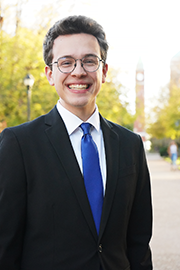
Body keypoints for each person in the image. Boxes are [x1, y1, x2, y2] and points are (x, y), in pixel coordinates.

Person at [0, 15, 153, 270]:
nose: (78, 71)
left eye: (89, 61)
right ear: (50, 74)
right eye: (66, 62)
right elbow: (5, 247)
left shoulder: (130, 146)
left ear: (103, 71)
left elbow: (138, 244)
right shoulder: (18, 145)